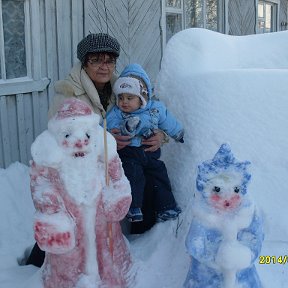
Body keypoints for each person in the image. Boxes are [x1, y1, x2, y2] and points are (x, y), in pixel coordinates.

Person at [26, 32, 165, 267]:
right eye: (96, 60)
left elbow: (152, 111)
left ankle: (146, 236)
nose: (104, 66)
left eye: (109, 60)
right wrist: (105, 141)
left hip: (117, 158)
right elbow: (62, 140)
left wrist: (161, 136)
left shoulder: (123, 87)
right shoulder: (68, 94)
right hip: (79, 167)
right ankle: (41, 261)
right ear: (84, 62)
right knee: (74, 208)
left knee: (149, 168)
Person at [106, 64, 184, 222]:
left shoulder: (155, 109)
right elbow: (104, 127)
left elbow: (168, 121)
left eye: (130, 98)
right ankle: (133, 208)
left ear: (142, 97)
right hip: (129, 153)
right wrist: (108, 135)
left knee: (159, 174)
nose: (124, 102)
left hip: (150, 152)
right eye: (121, 97)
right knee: (133, 178)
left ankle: (167, 207)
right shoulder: (116, 113)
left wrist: (177, 133)